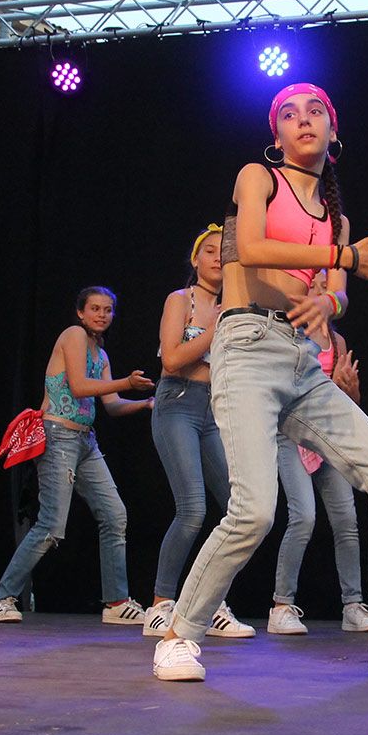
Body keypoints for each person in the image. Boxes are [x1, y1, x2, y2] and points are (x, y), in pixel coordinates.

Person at [151, 82, 368, 684]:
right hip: (248, 349)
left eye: (316, 112)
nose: (303, 120)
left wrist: (329, 307)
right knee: (255, 511)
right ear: (276, 134)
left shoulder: (337, 219)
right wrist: (340, 263)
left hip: (303, 361)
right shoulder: (257, 179)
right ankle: (181, 632)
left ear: (334, 131)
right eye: (289, 114)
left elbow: (334, 297)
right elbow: (249, 250)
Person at [0, 287, 154, 625]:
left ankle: (116, 603)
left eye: (108, 310)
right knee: (51, 525)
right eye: (95, 308)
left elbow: (112, 404)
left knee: (114, 514)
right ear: (80, 312)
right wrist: (126, 382)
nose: (101, 315)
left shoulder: (101, 355)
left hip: (85, 442)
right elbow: (78, 386)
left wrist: (146, 404)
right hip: (58, 436)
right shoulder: (74, 334)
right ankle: (1, 599)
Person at [143, 226, 255, 640]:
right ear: (195, 259)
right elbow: (172, 359)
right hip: (177, 403)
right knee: (191, 509)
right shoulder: (181, 300)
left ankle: (209, 604)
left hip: (215, 409)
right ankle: (161, 604)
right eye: (208, 251)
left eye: (222, 253)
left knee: (238, 508)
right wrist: (218, 327)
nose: (215, 258)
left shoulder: (236, 307)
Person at [268, 315, 368, 635]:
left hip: (325, 433)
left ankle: (353, 605)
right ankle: (282, 606)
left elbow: (345, 403)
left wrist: (352, 390)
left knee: (347, 521)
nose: (320, 286)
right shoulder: (288, 332)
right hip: (289, 432)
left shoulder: (337, 340)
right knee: (303, 516)